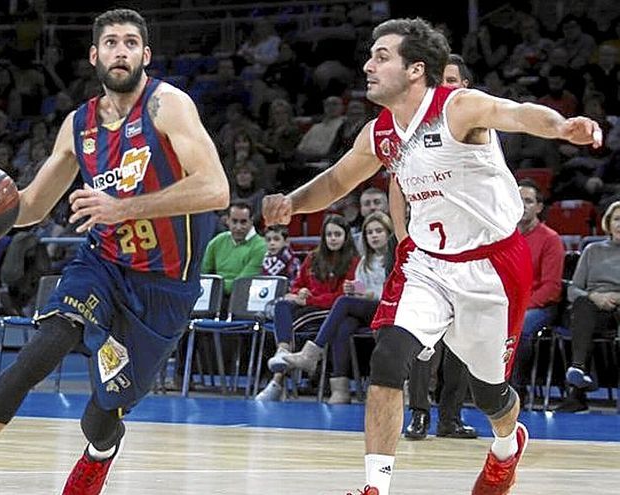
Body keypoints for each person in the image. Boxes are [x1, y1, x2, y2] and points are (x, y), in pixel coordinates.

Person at [262, 18, 601, 495]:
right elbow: (337, 181)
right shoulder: (380, 133)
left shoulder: (459, 107)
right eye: (370, 54)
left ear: (416, 68)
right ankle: (374, 487)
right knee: (388, 358)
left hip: (493, 266)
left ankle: (507, 445)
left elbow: (521, 114)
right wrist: (293, 202)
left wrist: (563, 126)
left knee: (490, 395)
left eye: (382, 56)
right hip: (427, 264)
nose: (368, 64)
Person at [0, 9, 229, 495]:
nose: (121, 51)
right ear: (94, 56)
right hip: (101, 263)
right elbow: (30, 205)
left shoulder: (167, 106)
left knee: (101, 416)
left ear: (146, 55)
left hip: (163, 286)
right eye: (111, 43)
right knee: (41, 351)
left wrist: (124, 208)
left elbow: (216, 189)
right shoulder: (79, 126)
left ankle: (101, 451)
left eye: (131, 43)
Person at [402, 54, 478, 441]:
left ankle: (450, 417)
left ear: (465, 86)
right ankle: (417, 414)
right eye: (439, 81)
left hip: (470, 253)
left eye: (451, 81)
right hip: (426, 249)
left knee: (462, 342)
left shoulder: (478, 128)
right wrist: (403, 240)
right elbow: (396, 187)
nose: (444, 88)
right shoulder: (418, 128)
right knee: (421, 340)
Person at [280, 211, 394, 404]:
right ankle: (340, 389)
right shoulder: (365, 260)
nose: (373, 235)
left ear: (389, 233)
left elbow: (394, 291)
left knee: (343, 302)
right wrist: (355, 289)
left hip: (389, 308)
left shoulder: (397, 258)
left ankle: (312, 352)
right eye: (369, 232)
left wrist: (368, 295)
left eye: (378, 231)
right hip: (368, 309)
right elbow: (362, 286)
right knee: (344, 326)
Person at [256, 214, 359, 401]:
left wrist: (310, 300)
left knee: (293, 324)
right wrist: (299, 292)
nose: (333, 238)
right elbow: (297, 283)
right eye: (329, 234)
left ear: (346, 237)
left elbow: (342, 297)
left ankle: (277, 382)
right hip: (309, 306)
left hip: (329, 312)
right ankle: (283, 351)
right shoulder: (312, 257)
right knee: (281, 306)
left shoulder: (353, 261)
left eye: (337, 234)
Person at [555, 201, 620, 413]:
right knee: (582, 305)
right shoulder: (592, 250)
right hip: (593, 308)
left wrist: (615, 297)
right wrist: (595, 296)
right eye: (617, 219)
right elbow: (573, 289)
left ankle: (578, 387)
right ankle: (578, 373)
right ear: (608, 224)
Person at [511, 179, 564, 397]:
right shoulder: (503, 236)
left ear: (539, 207)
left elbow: (551, 288)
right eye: (518, 200)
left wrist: (519, 307)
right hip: (507, 304)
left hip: (540, 306)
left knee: (519, 329)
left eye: (529, 201)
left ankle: (516, 390)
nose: (522, 205)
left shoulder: (550, 239)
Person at [201, 200, 267, 308]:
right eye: (234, 221)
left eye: (243, 222)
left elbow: (241, 284)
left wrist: (214, 286)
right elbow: (202, 273)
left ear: (251, 221)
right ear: (227, 221)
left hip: (245, 300)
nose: (238, 227)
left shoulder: (261, 246)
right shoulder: (217, 241)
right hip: (216, 297)